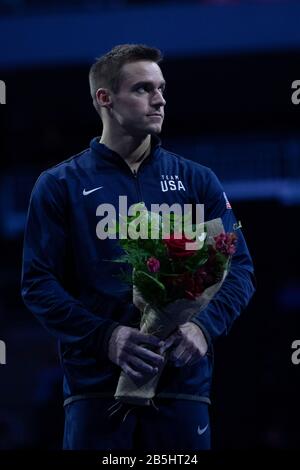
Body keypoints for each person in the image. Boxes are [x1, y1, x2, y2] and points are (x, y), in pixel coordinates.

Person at [21, 44, 255, 451]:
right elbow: (38, 284)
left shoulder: (197, 180)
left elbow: (240, 269)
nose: (160, 99)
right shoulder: (60, 185)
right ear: (104, 98)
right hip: (96, 390)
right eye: (143, 89)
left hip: (182, 388)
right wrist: (106, 337)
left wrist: (204, 326)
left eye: (161, 88)